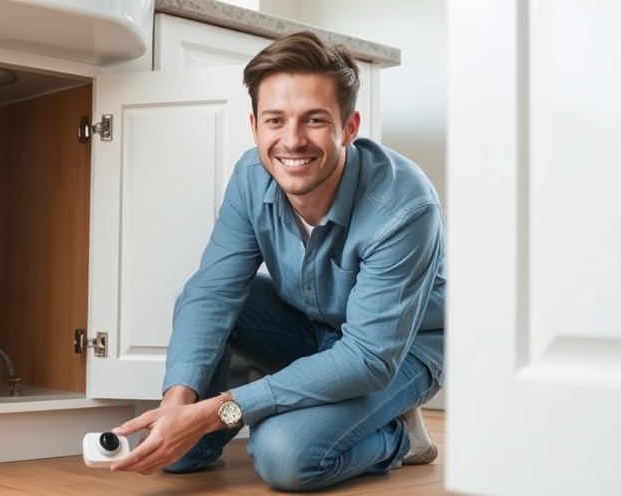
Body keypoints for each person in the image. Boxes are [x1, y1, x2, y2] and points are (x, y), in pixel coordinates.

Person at [111, 30, 446, 491]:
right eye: (275, 120)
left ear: (349, 127)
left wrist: (219, 408)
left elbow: (367, 357)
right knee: (181, 453)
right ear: (254, 127)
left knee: (284, 455)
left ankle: (398, 436)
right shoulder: (252, 176)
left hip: (399, 352)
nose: (291, 141)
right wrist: (178, 403)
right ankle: (210, 429)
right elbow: (212, 293)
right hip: (311, 328)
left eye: (313, 120)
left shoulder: (405, 208)